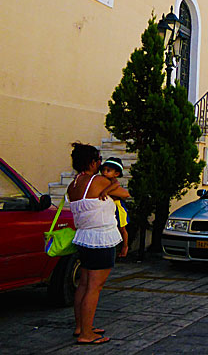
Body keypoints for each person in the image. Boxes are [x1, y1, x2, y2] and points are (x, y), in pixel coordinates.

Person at [67, 143, 129, 345]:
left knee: (83, 284)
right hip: (101, 239)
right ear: (93, 162)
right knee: (94, 287)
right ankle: (87, 334)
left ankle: (81, 326)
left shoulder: (74, 184)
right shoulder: (98, 181)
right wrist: (112, 184)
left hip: (84, 238)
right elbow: (125, 194)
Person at [99, 157, 130, 258]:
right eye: (103, 170)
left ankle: (125, 246)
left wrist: (106, 191)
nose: (105, 172)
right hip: (110, 206)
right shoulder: (102, 180)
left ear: (116, 173)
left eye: (108, 170)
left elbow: (116, 184)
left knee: (122, 228)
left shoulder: (113, 181)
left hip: (118, 205)